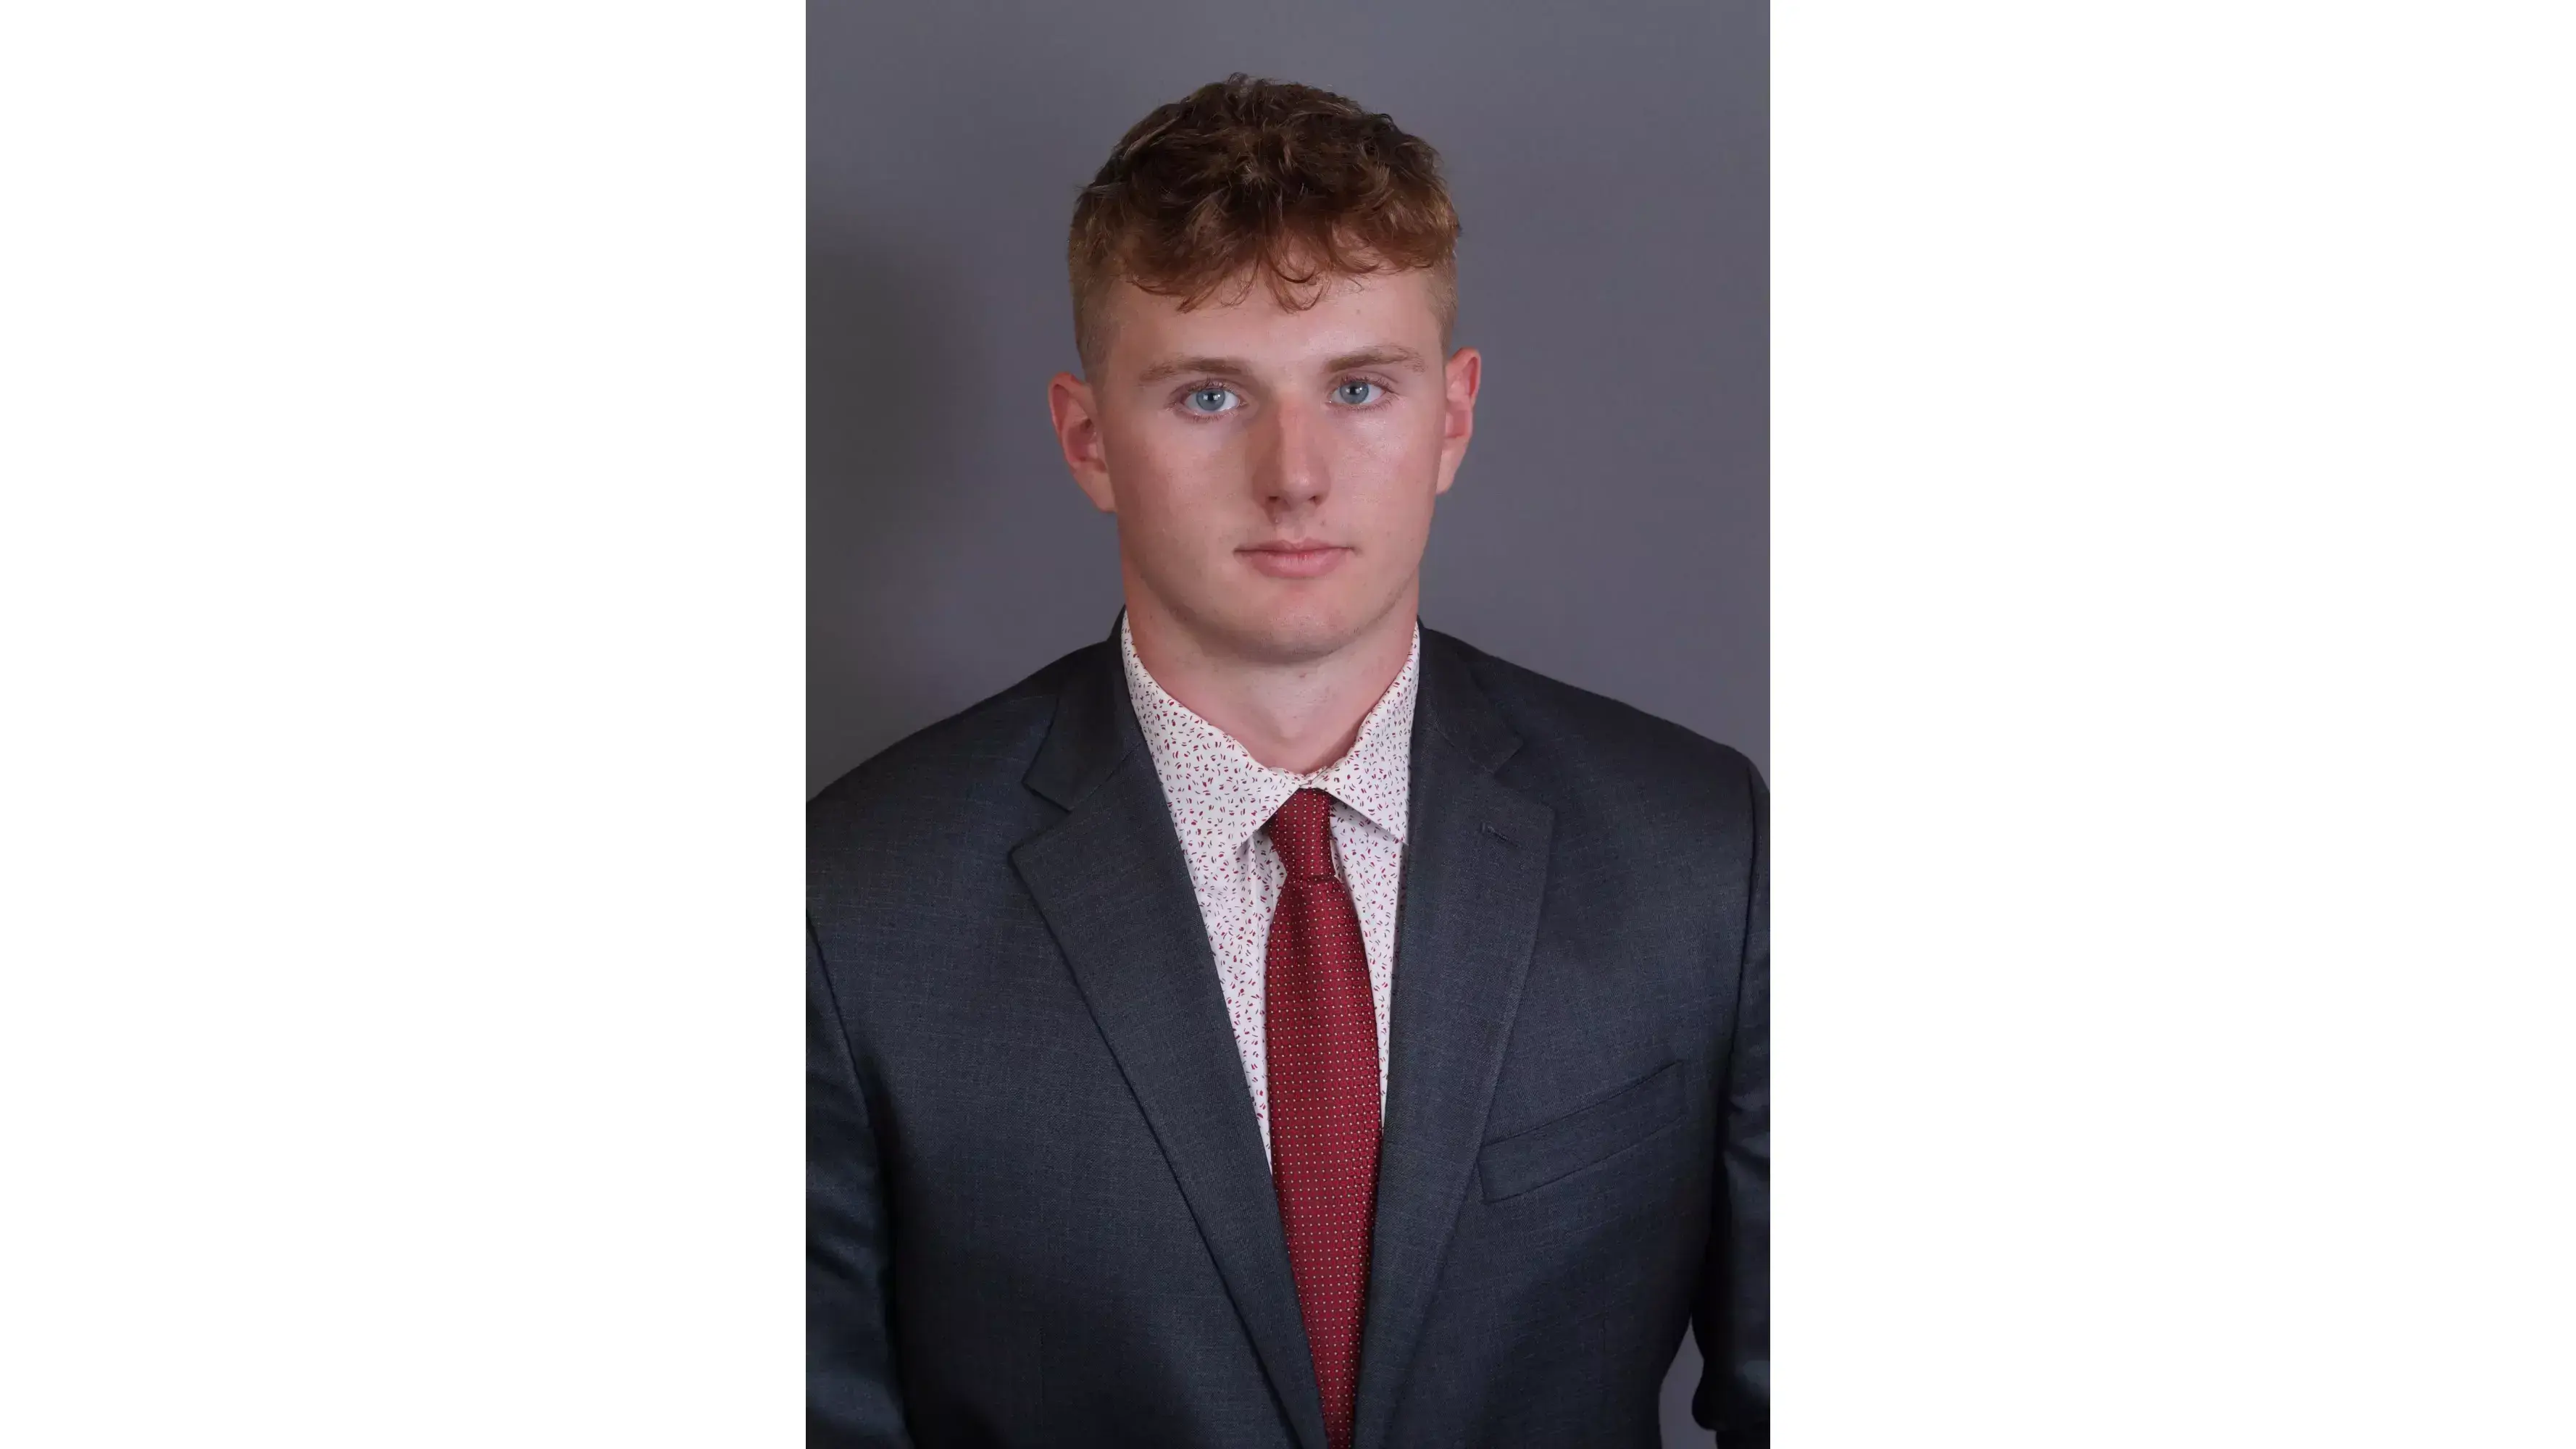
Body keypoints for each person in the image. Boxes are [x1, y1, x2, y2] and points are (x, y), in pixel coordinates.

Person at [809, 74, 1767, 1449]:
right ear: (1088, 439)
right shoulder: (851, 907)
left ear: (1451, 419)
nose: (1295, 473)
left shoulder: (1701, 857)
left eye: (1359, 388)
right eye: (1209, 395)